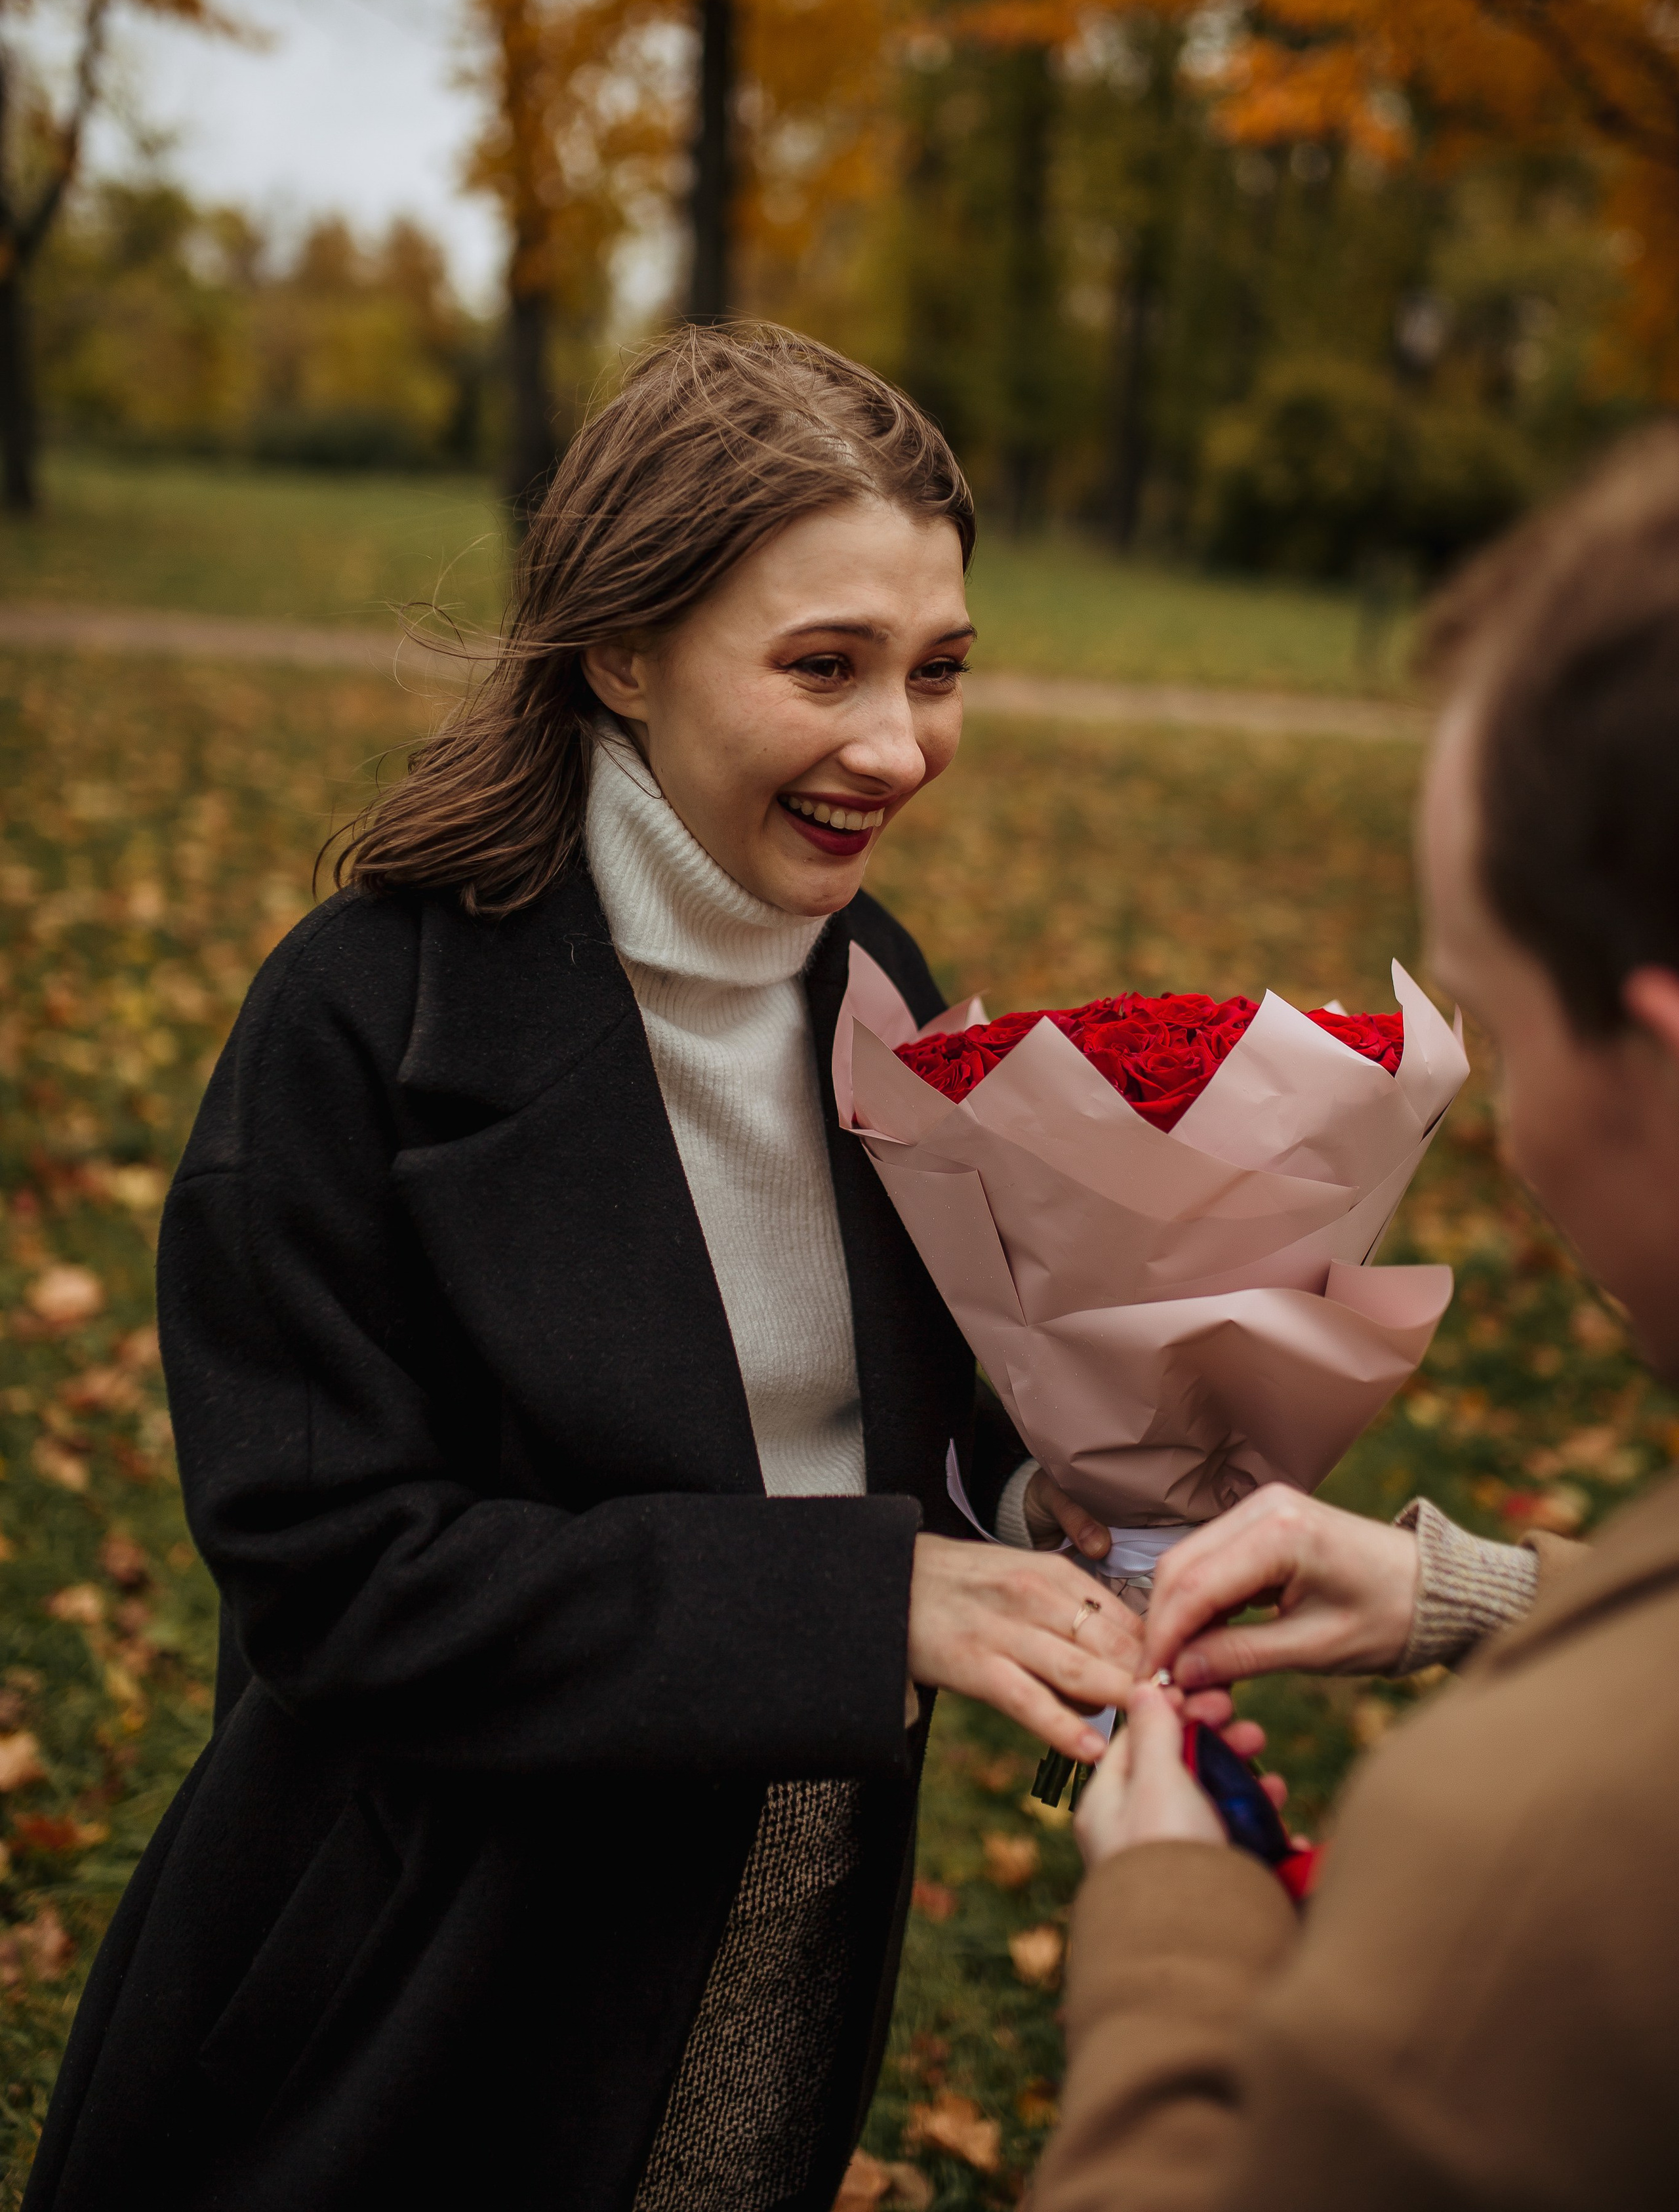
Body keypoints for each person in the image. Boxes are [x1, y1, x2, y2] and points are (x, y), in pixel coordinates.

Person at [26, 326, 1180, 2212]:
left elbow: (862, 1426)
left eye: (940, 669)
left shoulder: (875, 979)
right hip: (428, 1986)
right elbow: (339, 1580)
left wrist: (1050, 1497)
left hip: (784, 1920)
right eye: (826, 665)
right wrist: (865, 1602)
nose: (901, 746)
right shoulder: (356, 1024)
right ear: (621, 650)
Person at [1028, 425, 1679, 2212]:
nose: (1508, 1127)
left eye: (1499, 1026)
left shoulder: (1531, 1875)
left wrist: (1173, 1937)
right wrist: (1478, 1594)